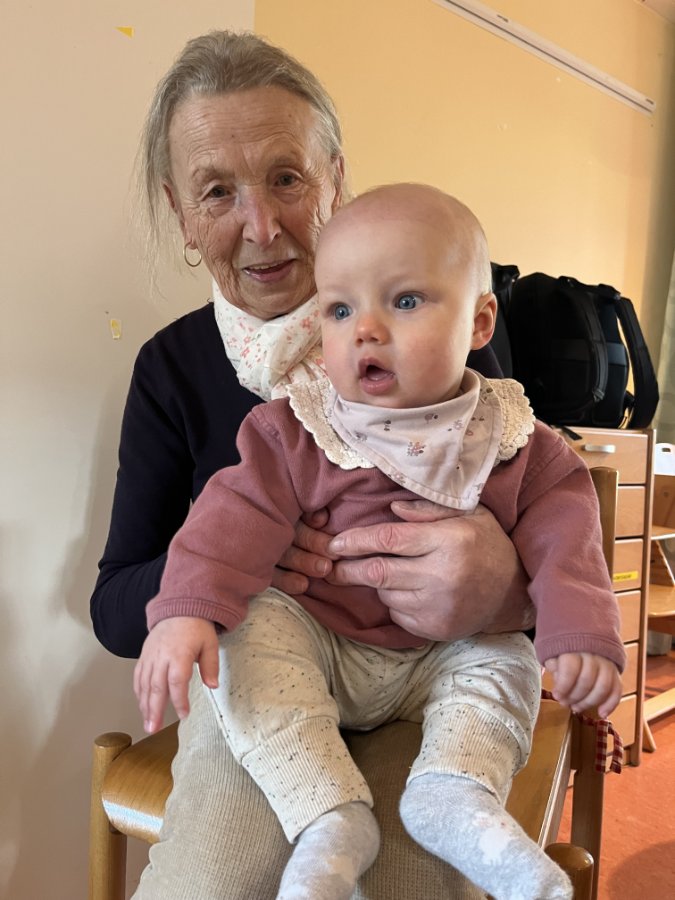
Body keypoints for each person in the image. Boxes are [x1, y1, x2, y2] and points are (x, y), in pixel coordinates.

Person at [90, 30, 544, 899]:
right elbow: (115, 607)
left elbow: (548, 519)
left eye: (287, 178)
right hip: (265, 686)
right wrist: (233, 559)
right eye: (216, 192)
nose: (260, 226)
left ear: (337, 180)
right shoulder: (171, 369)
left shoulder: (436, 321)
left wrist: (507, 584)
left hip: (426, 678)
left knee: (407, 878)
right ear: (181, 214)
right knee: (215, 882)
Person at [134, 183, 625, 900]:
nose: (364, 329)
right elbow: (228, 516)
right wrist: (185, 609)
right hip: (319, 645)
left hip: (445, 657)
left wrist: (577, 630)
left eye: (404, 301)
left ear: (479, 321)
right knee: (253, 635)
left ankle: (454, 792)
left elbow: (568, 539)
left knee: (504, 663)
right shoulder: (298, 428)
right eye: (339, 310)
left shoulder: (516, 440)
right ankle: (326, 812)